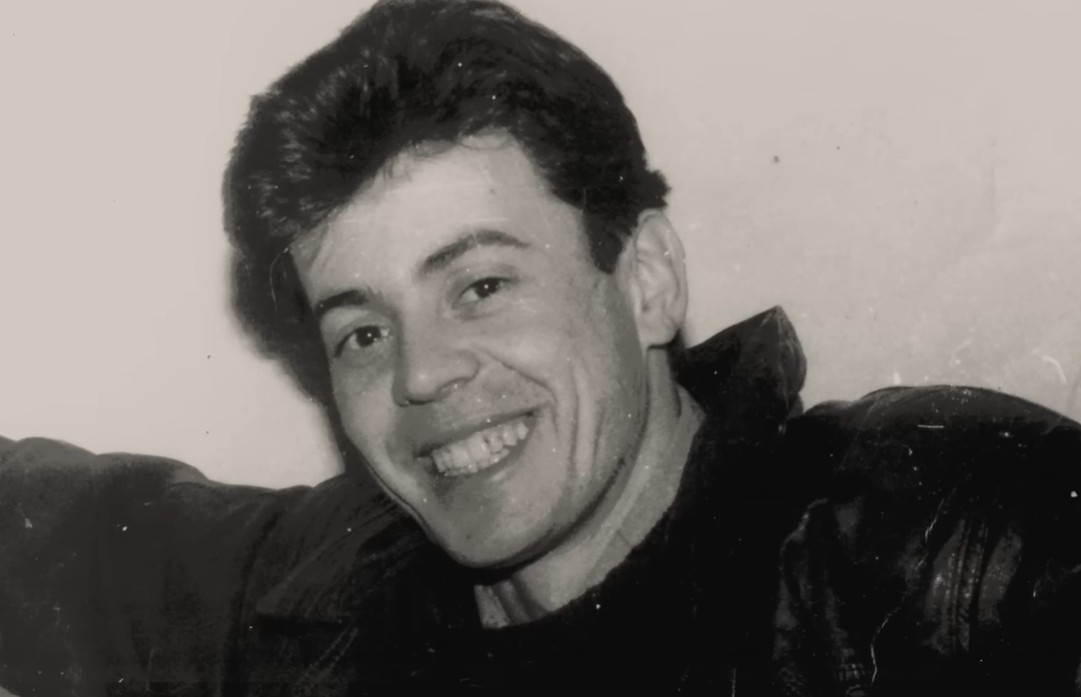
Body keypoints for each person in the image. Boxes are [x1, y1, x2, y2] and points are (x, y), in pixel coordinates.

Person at [2, 0, 1079, 694]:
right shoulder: (331, 590)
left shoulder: (955, 538)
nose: (420, 372)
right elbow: (65, 531)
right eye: (363, 330)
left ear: (646, 279)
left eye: (480, 285)